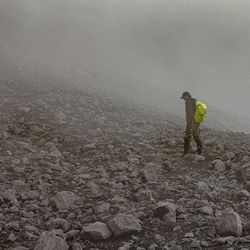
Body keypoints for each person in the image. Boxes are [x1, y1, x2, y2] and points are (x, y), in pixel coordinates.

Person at [180, 91, 203, 155]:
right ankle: (198, 152)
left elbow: (191, 114)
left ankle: (187, 152)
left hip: (192, 123)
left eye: (184, 97)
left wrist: (192, 123)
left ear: (187, 96)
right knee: (194, 137)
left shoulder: (190, 102)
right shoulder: (190, 102)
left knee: (191, 137)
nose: (184, 99)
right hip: (192, 123)